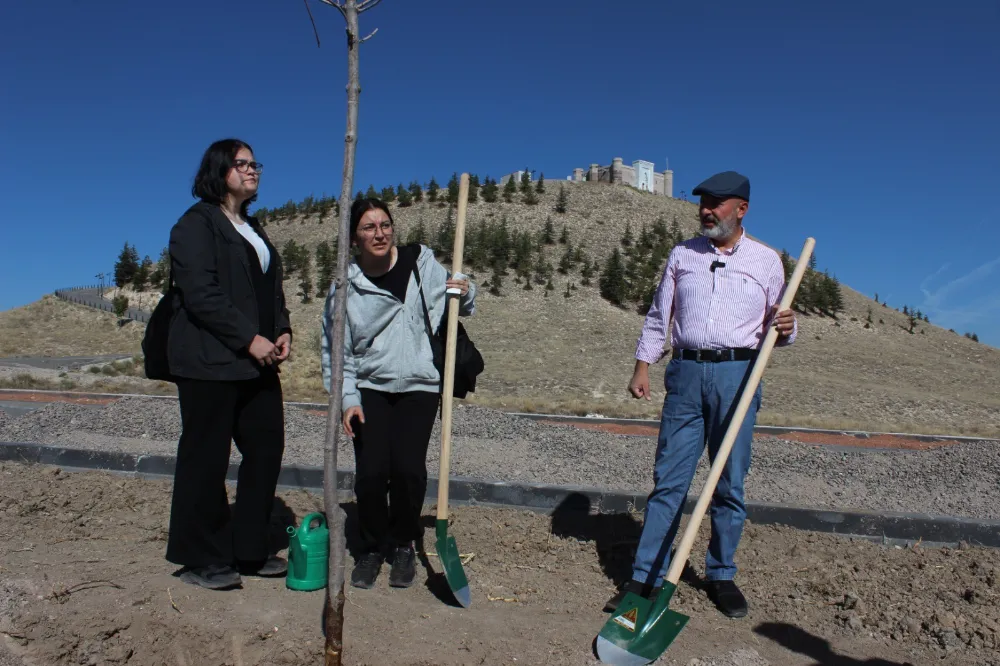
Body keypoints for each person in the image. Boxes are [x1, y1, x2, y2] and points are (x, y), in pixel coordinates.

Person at [604, 171, 797, 618]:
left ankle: (721, 575)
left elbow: (780, 325)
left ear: (741, 209)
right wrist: (642, 365)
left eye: (715, 203)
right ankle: (645, 577)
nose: (706, 210)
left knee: (729, 481)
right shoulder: (683, 254)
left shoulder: (767, 261)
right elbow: (660, 315)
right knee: (669, 479)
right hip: (686, 373)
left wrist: (788, 327)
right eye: (703, 203)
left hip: (739, 374)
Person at [321, 198, 476, 590]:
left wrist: (465, 290)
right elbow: (336, 351)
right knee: (372, 473)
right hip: (370, 387)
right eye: (369, 227)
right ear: (354, 238)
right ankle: (372, 546)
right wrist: (348, 399)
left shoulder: (421, 263)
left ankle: (405, 541)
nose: (380, 233)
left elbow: (457, 302)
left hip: (420, 384)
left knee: (408, 470)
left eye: (385, 225)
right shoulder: (345, 287)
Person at [163, 138, 293, 590]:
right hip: (209, 361)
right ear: (219, 171)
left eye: (255, 163)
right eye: (242, 163)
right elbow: (201, 293)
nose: (253, 170)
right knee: (206, 457)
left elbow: (269, 290)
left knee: (265, 449)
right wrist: (247, 338)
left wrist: (282, 329)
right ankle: (201, 556)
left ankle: (249, 549)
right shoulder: (196, 224)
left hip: (257, 362)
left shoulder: (253, 228)